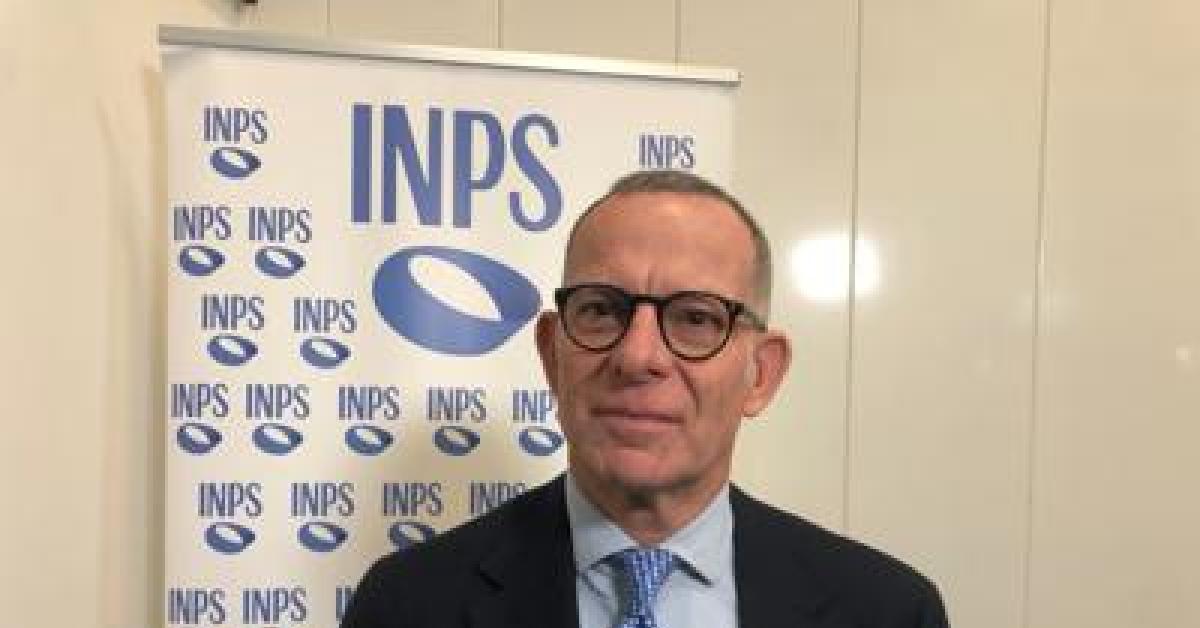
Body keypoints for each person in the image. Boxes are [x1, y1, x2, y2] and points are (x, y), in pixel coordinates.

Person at [341, 170, 950, 628]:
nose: (637, 357)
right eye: (602, 310)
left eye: (695, 318)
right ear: (552, 354)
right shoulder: (407, 607)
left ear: (761, 375)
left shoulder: (888, 612)